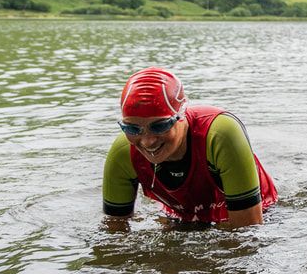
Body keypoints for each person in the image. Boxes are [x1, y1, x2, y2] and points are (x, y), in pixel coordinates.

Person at [102, 67, 277, 227]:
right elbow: (114, 234)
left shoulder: (220, 136)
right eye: (132, 128)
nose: (147, 141)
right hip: (179, 216)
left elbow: (246, 233)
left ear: (182, 115)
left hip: (263, 212)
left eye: (160, 126)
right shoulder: (124, 153)